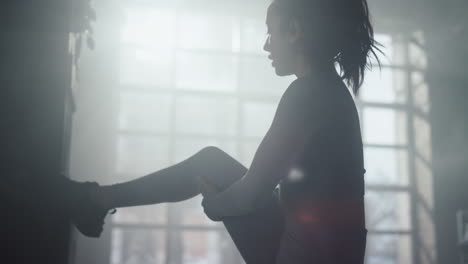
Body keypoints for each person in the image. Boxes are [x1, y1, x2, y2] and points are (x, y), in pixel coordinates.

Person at [85, 0, 381, 263]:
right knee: (214, 164)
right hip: (328, 251)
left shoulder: (308, 93)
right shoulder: (332, 93)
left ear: (294, 31)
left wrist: (214, 206)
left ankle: (96, 200)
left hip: (306, 256)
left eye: (270, 32)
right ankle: (97, 199)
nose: (266, 46)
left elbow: (249, 196)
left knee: (210, 164)